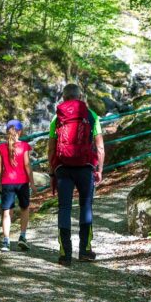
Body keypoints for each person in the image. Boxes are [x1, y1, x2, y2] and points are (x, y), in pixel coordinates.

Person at [48, 84, 105, 266]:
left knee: (64, 208)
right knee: (85, 205)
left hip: (63, 168)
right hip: (85, 167)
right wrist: (99, 169)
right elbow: (100, 147)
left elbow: (50, 148)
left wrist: (52, 172)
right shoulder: (92, 116)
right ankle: (84, 251)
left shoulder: (57, 117)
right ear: (80, 96)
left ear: (63, 98)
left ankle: (65, 254)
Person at [0, 119, 37, 252]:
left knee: (7, 212)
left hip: (7, 182)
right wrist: (32, 182)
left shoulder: (1, 148)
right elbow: (26, 164)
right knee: (24, 208)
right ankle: (22, 236)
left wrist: (1, 182)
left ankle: (6, 241)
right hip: (22, 182)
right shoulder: (24, 146)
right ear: (20, 132)